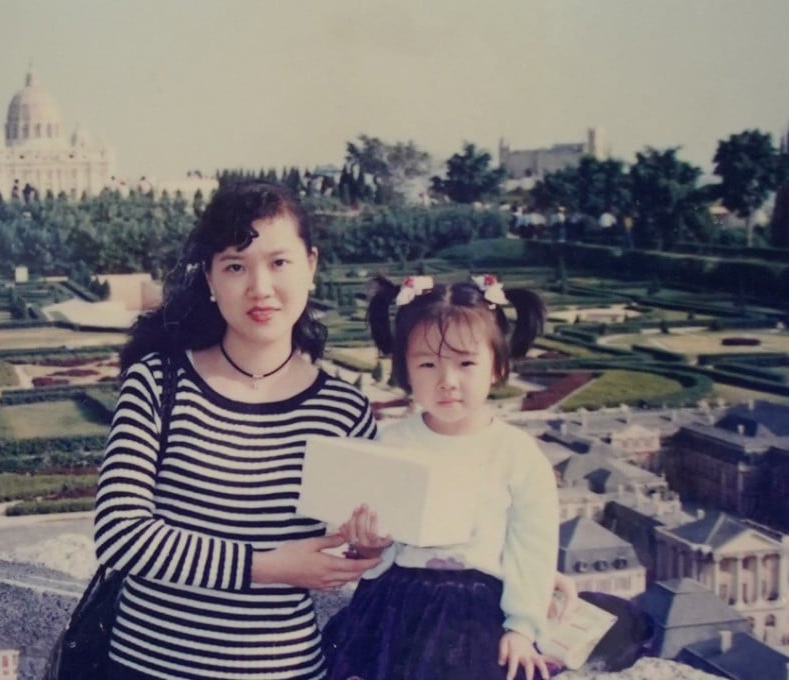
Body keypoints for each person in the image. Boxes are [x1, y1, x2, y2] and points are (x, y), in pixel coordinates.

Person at [93, 180, 380, 680]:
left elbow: (352, 548)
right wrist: (266, 567)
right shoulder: (159, 381)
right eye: (235, 266)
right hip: (149, 668)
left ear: (311, 265)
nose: (260, 288)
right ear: (209, 277)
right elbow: (121, 534)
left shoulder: (344, 411)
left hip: (284, 668)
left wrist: (367, 547)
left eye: (279, 262)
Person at [322, 274, 559, 680]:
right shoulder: (390, 443)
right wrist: (369, 547)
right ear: (405, 370)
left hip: (478, 614)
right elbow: (375, 548)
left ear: (498, 366)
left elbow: (531, 550)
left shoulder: (517, 455)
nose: (447, 381)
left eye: (466, 363)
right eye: (428, 364)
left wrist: (522, 627)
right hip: (397, 605)